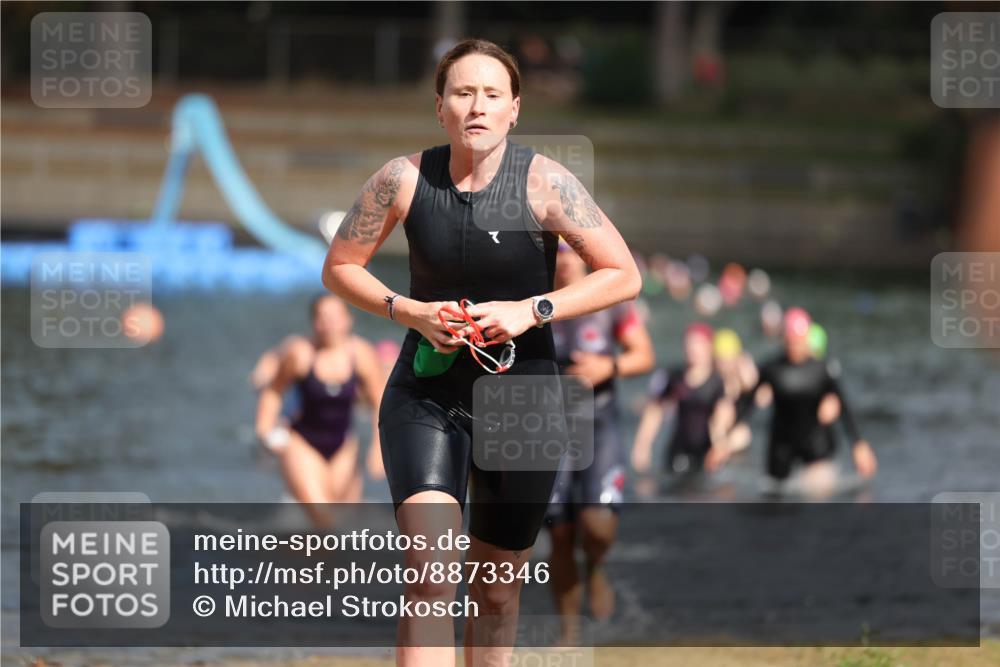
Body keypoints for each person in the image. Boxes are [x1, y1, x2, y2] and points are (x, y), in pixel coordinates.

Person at [321, 38, 641, 667]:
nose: (477, 106)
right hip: (427, 393)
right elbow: (339, 267)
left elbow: (622, 274)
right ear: (439, 106)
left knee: (495, 590)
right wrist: (407, 310)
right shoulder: (401, 179)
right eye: (463, 93)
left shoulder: (546, 182)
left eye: (492, 94)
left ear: (514, 109)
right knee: (431, 575)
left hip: (525, 400)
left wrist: (532, 310)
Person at [545, 239, 654, 643]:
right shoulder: (533, 301)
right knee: (559, 533)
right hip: (548, 428)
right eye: (557, 251)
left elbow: (644, 355)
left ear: (584, 254)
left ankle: (594, 566)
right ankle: (568, 635)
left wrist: (608, 366)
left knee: (597, 527)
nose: (565, 260)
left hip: (600, 424)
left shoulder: (610, 301)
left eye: (571, 250)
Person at [255, 294, 386, 527]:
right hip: (302, 444)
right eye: (323, 317)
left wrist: (378, 450)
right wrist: (264, 430)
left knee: (344, 523)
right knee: (323, 520)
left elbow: (380, 402)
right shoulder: (300, 353)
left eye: (336, 317)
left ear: (349, 319)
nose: (330, 323)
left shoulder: (361, 354)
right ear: (314, 322)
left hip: (343, 446)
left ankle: (294, 544)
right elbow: (273, 391)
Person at [721, 307, 877, 498]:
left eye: (799, 340)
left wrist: (859, 445)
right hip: (781, 447)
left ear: (806, 340)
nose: (795, 345)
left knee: (818, 497)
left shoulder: (823, 370)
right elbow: (748, 403)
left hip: (816, 445)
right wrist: (726, 439)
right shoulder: (772, 369)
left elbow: (844, 407)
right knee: (773, 499)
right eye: (791, 340)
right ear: (784, 339)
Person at [631, 322, 734, 476]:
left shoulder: (717, 382)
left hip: (706, 453)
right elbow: (655, 410)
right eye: (689, 343)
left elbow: (723, 414)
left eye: (698, 344)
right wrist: (642, 445)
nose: (692, 349)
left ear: (709, 347)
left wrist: (719, 444)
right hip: (678, 450)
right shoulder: (675, 378)